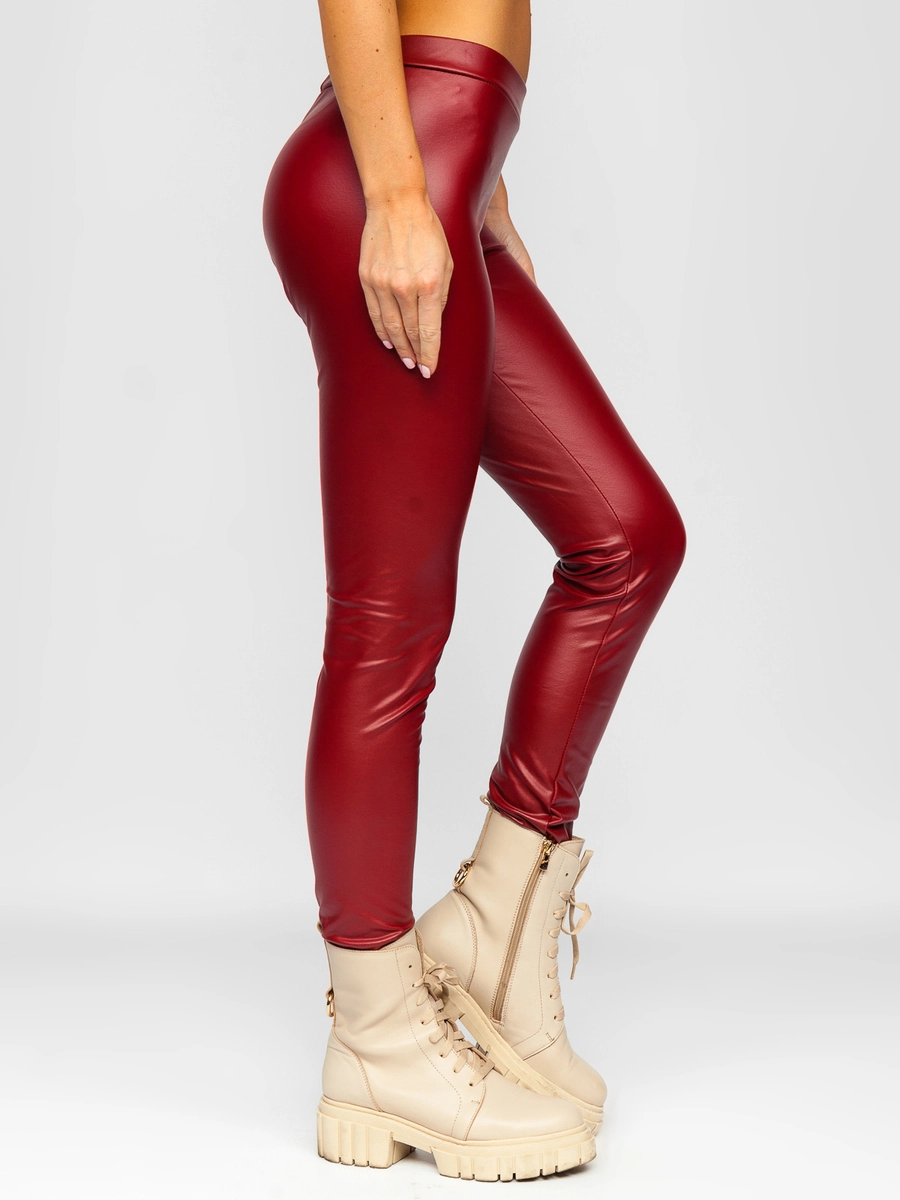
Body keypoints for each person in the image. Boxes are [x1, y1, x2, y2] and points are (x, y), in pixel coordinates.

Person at [261, 0, 687, 1182]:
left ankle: (495, 921)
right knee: (387, 629)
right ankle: (375, 1034)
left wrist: (482, 187)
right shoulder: (396, 186)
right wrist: (402, 192)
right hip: (388, 179)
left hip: (449, 175)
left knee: (628, 538)